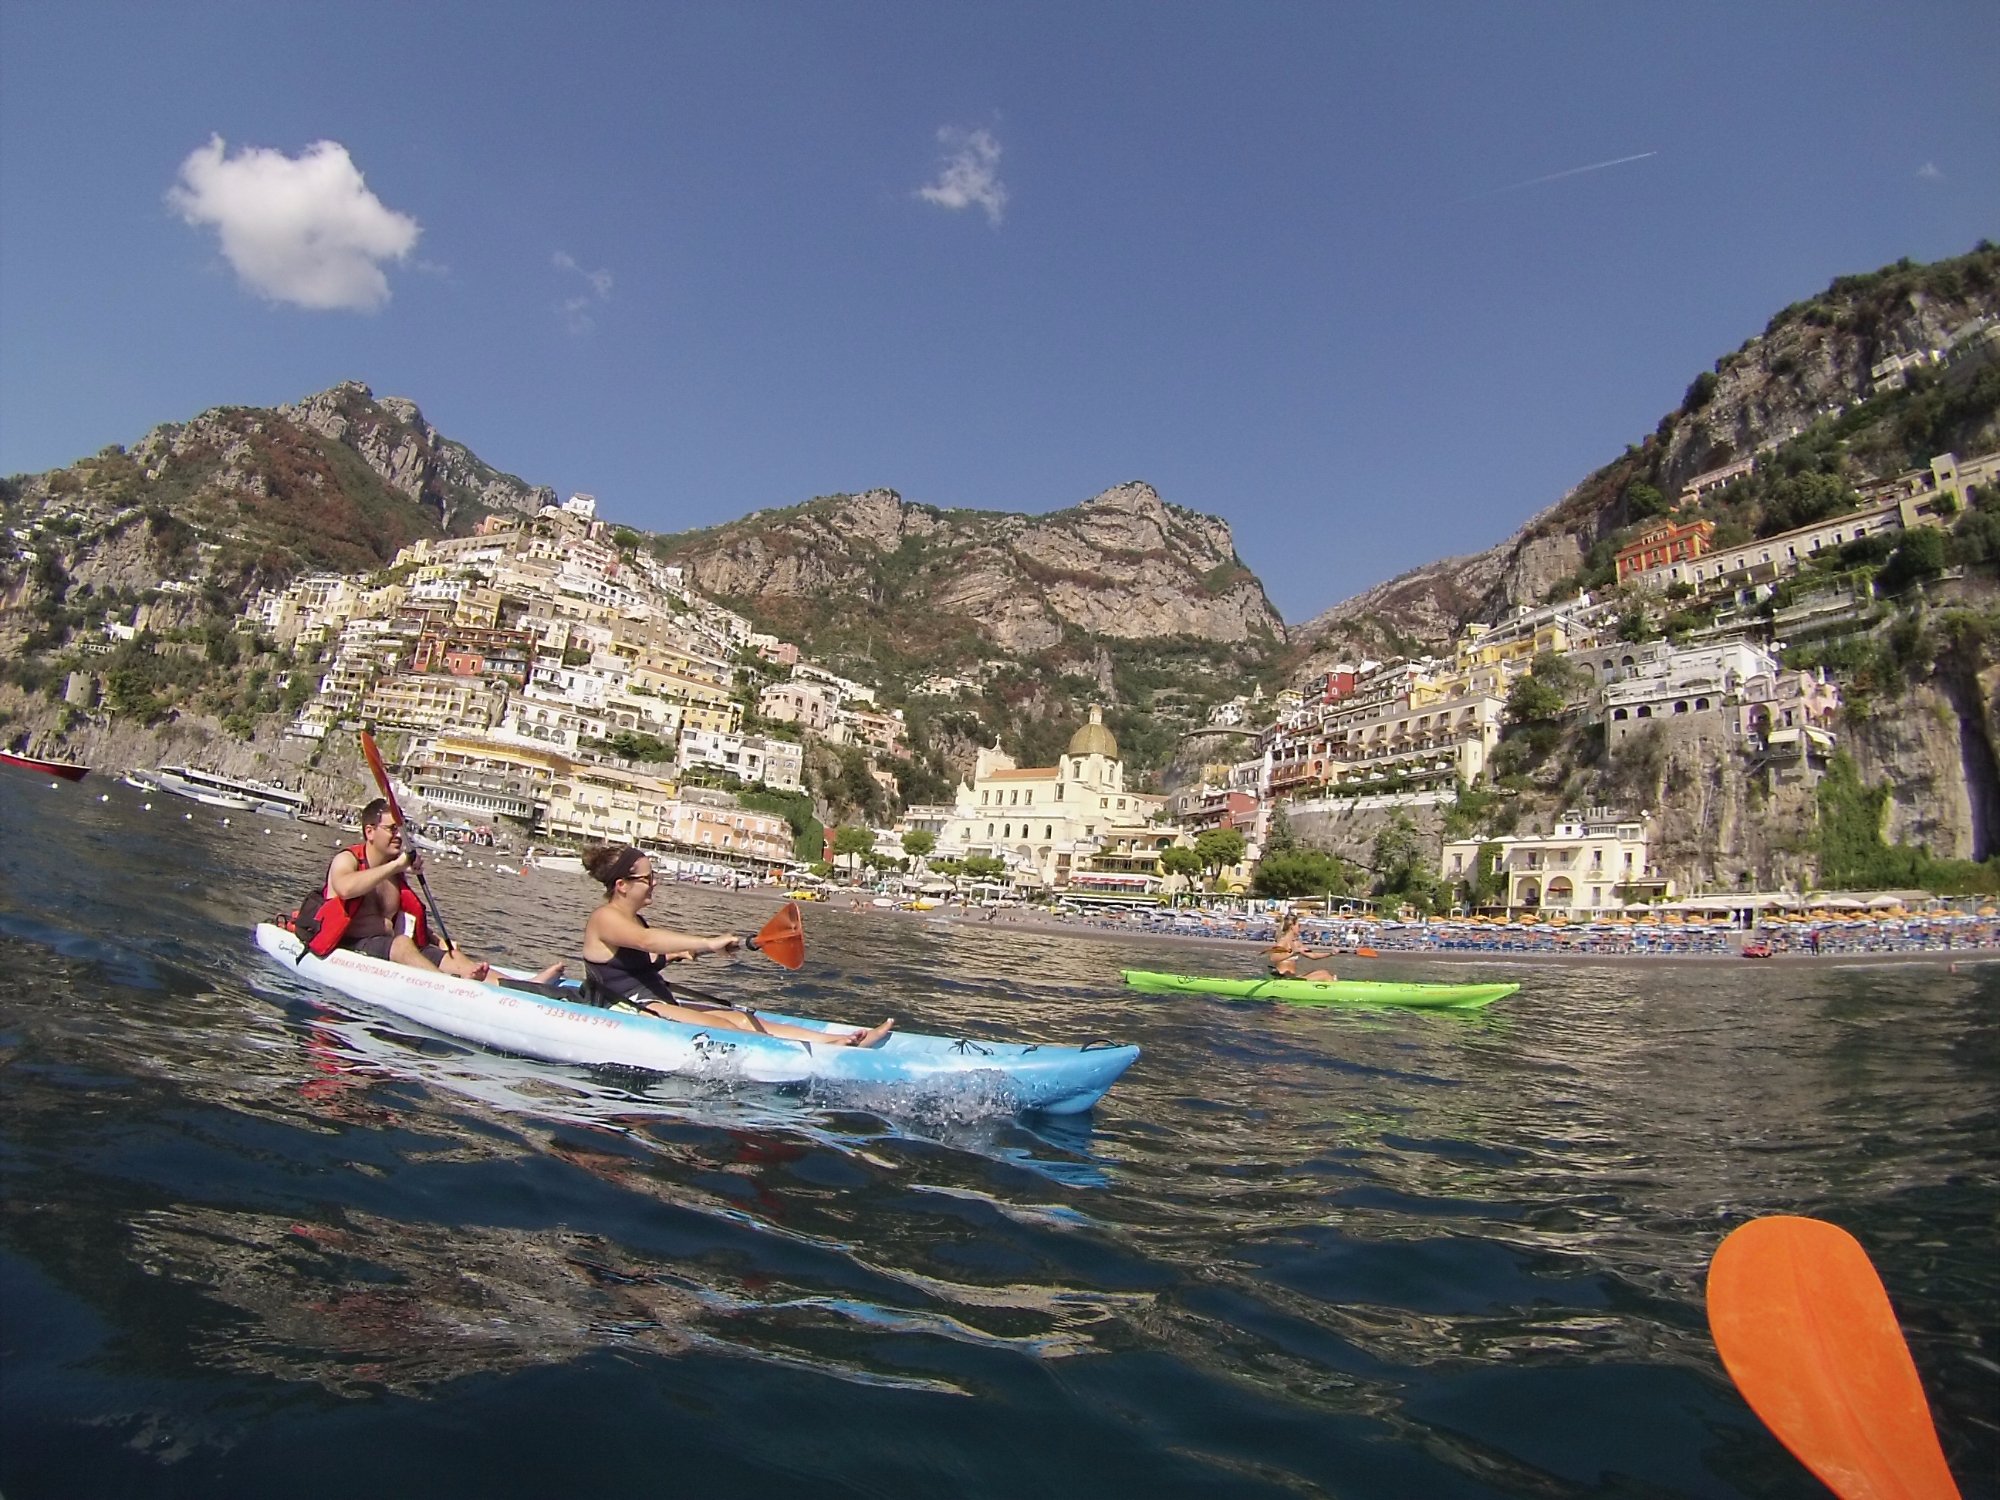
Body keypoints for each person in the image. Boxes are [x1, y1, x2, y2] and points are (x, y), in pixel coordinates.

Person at [580, 844, 893, 1046]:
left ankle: (834, 1042)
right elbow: (646, 942)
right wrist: (707, 942)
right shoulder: (605, 917)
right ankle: (822, 1052)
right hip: (628, 1009)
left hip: (654, 1002)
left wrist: (683, 952)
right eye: (648, 878)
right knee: (723, 1026)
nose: (655, 883)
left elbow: (642, 955)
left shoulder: (632, 918)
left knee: (744, 1019)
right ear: (622, 885)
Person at [305, 799, 561, 986]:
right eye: (392, 829)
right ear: (369, 832)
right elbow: (346, 888)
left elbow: (404, 919)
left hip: (389, 945)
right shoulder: (348, 859)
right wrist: (397, 865)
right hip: (353, 945)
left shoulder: (394, 873)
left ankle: (523, 986)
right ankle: (449, 988)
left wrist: (438, 941)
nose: (398, 835)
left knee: (453, 954)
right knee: (402, 944)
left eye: (401, 828)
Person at [1268, 910, 1337, 982]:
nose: (1300, 928)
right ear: (1292, 926)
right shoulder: (1282, 942)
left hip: (1293, 978)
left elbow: (1313, 955)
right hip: (1283, 979)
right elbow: (1273, 958)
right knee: (1325, 976)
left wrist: (1331, 953)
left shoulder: (1296, 943)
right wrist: (1292, 952)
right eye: (1298, 925)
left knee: (1324, 972)